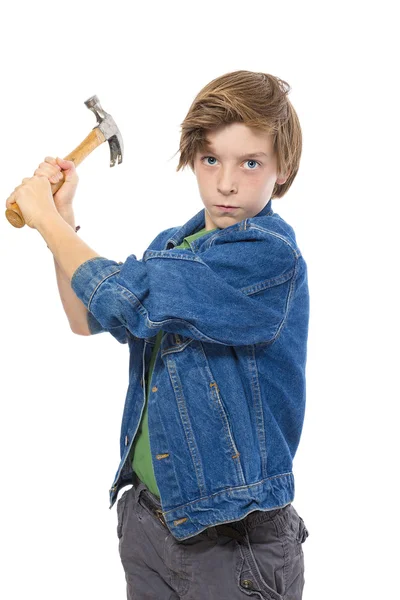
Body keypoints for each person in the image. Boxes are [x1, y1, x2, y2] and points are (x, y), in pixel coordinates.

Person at [7, 70, 310, 599]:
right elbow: (86, 316)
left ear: (281, 171)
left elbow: (131, 298)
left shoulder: (268, 257)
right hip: (151, 519)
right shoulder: (176, 244)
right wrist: (61, 217)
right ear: (192, 157)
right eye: (211, 158)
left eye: (251, 163)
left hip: (230, 542)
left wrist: (44, 223)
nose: (226, 182)